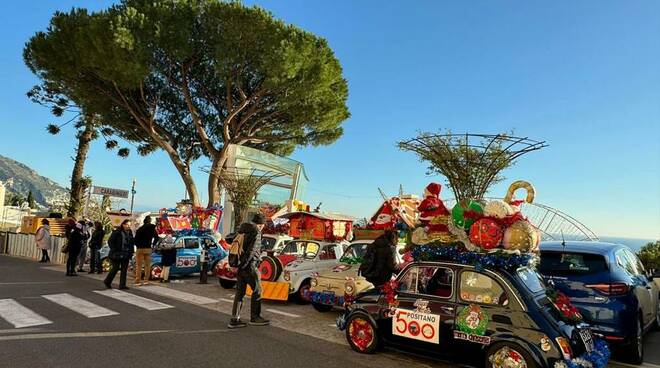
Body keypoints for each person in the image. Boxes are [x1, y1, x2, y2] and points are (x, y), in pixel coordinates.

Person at [229, 213, 270, 329]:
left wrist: (239, 265)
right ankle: (255, 317)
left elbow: (232, 243)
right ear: (261, 224)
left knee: (240, 293)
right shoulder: (256, 232)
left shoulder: (242, 229)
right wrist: (245, 264)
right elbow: (252, 252)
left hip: (240, 267)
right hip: (250, 266)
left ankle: (234, 319)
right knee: (257, 290)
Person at [104, 220, 134, 290]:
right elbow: (110, 241)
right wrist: (114, 249)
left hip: (126, 253)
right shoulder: (117, 232)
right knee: (115, 268)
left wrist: (131, 252)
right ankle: (107, 281)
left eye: (130, 225)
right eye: (127, 224)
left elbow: (131, 243)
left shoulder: (130, 233)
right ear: (123, 225)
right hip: (117, 253)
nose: (129, 226)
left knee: (124, 270)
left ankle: (122, 285)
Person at [134, 216, 158, 285]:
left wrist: (138, 246)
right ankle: (146, 280)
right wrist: (153, 245)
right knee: (147, 265)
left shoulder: (140, 229)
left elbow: (135, 240)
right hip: (148, 248)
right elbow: (156, 238)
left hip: (140, 249)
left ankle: (138, 281)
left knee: (139, 265)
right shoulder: (152, 228)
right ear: (150, 221)